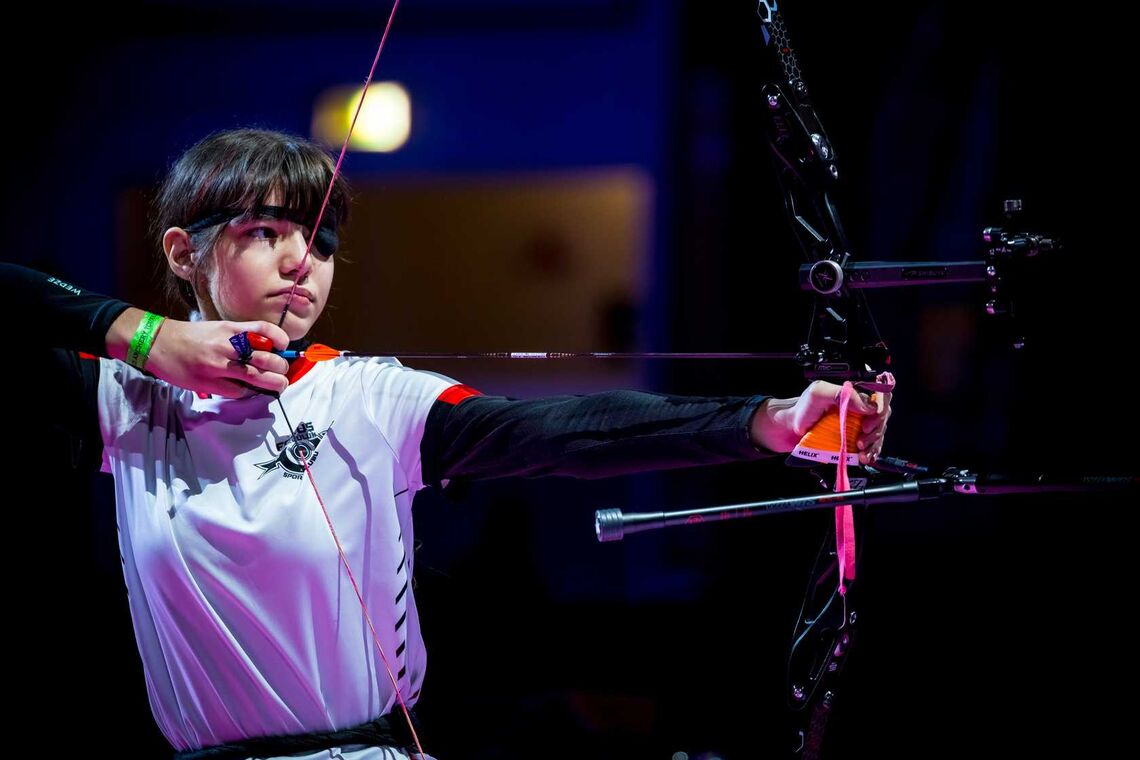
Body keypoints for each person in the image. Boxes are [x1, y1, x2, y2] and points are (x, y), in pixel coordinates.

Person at [5, 127, 891, 760]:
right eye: (264, 232)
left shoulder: (366, 396)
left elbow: (558, 432)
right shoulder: (123, 398)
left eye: (318, 243)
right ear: (183, 252)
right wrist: (136, 335)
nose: (298, 264)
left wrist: (762, 422)